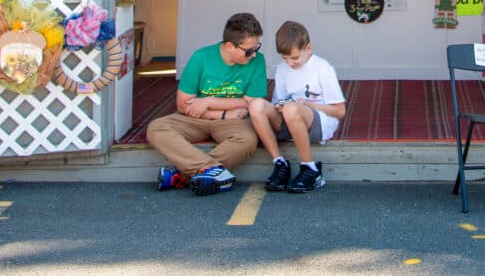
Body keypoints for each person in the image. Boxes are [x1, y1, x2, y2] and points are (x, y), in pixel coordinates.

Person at [147, 12, 267, 196]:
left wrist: (208, 101)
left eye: (256, 47)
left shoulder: (258, 61)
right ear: (229, 45)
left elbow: (250, 102)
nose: (254, 54)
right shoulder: (201, 57)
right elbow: (183, 105)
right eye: (248, 50)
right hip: (199, 118)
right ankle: (208, 170)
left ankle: (183, 175)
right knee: (156, 128)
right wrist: (223, 113)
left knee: (248, 140)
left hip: (232, 122)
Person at [248, 21, 346, 193]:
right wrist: (279, 106)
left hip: (319, 123)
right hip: (289, 118)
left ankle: (310, 168)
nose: (290, 63)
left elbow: (339, 111)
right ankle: (279, 163)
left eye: (294, 58)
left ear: (308, 48)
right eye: (285, 58)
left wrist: (307, 105)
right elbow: (279, 101)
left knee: (291, 109)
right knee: (256, 105)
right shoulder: (282, 69)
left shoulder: (322, 68)